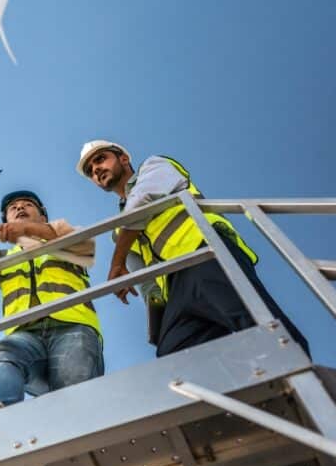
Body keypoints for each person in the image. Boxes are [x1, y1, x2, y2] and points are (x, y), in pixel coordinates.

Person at [76, 139, 309, 357]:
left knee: (255, 320)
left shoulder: (154, 166)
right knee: (175, 354)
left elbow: (143, 201)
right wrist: (158, 318)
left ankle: (303, 376)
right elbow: (145, 282)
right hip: (176, 289)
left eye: (100, 159)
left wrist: (117, 262)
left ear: (123, 159)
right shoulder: (120, 231)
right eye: (90, 171)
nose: (95, 169)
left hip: (206, 254)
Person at [0, 186, 104, 422]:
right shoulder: (5, 259)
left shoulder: (64, 241)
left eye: (27, 204)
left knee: (74, 395)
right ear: (6, 222)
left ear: (43, 217)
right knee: (3, 354)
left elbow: (85, 243)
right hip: (25, 334)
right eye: (12, 208)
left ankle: (79, 433)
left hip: (72, 327)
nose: (19, 208)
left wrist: (26, 229)